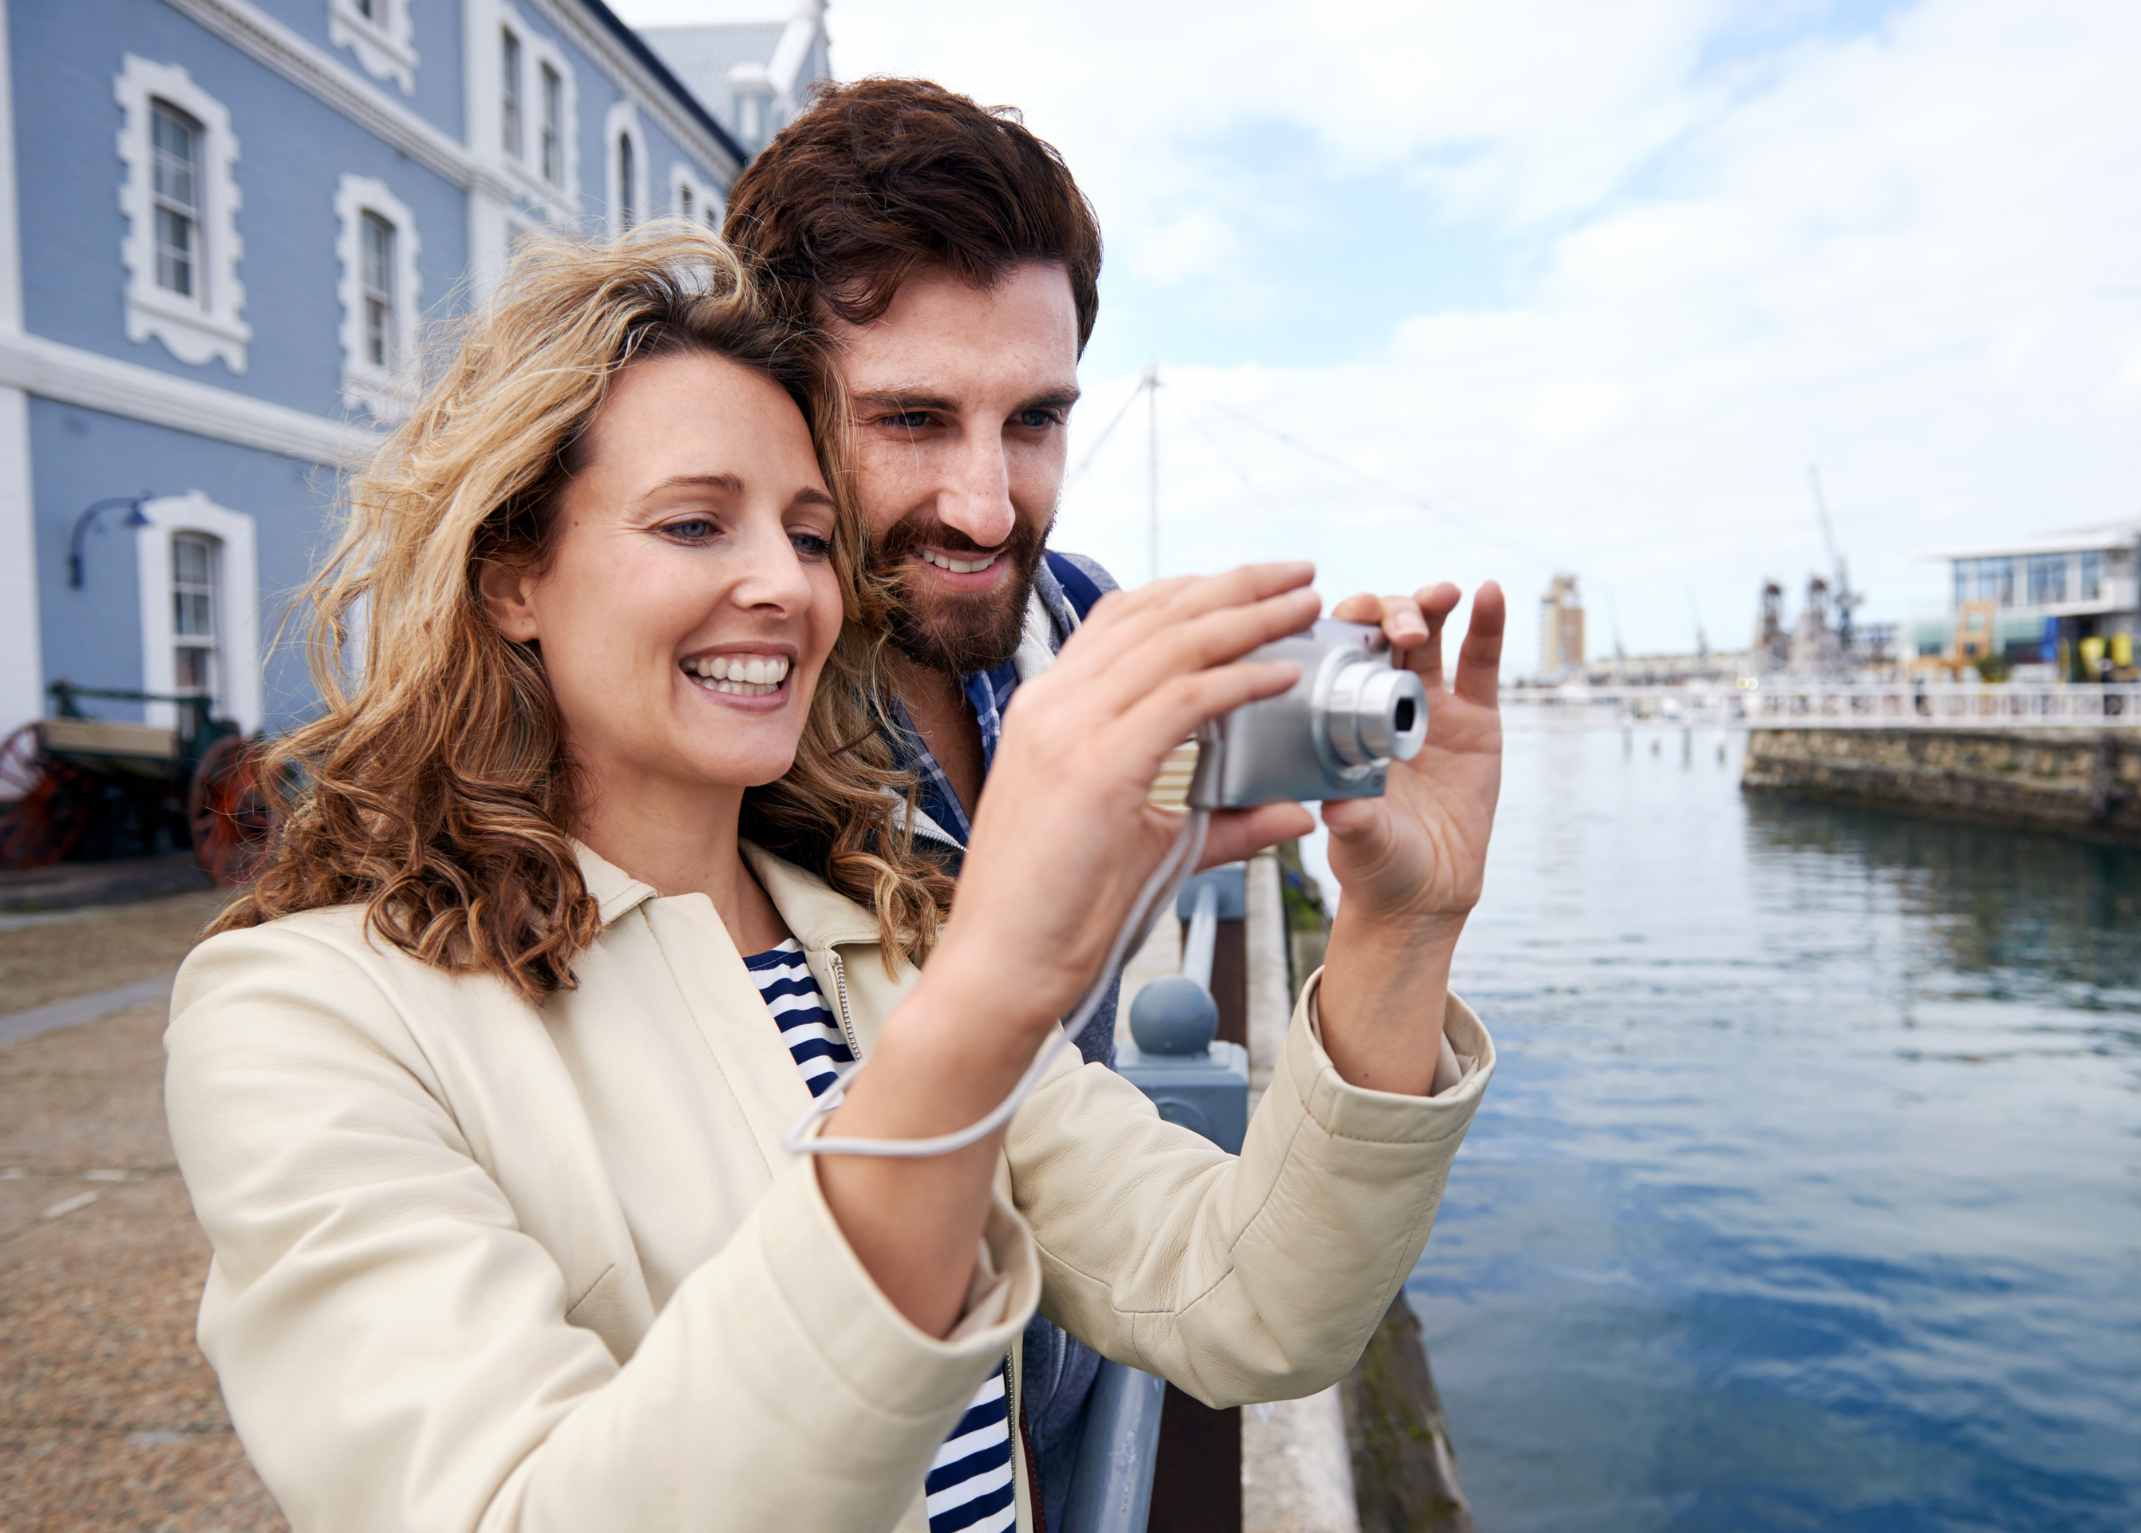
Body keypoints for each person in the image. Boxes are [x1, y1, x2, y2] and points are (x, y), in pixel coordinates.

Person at [164, 230, 1505, 1533]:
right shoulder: (307, 1015)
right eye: (695, 523)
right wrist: (989, 992)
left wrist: (1401, 929)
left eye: (811, 537)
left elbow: (1252, 1301)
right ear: (514, 573)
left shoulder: (879, 942)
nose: (780, 588)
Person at [718, 83, 1458, 1501]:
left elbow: (1241, 1285)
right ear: (778, 401)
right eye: (913, 420)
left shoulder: (1075, 620)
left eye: (1037, 419)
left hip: (1061, 1347)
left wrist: (1398, 907)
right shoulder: (727, 719)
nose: (988, 504)